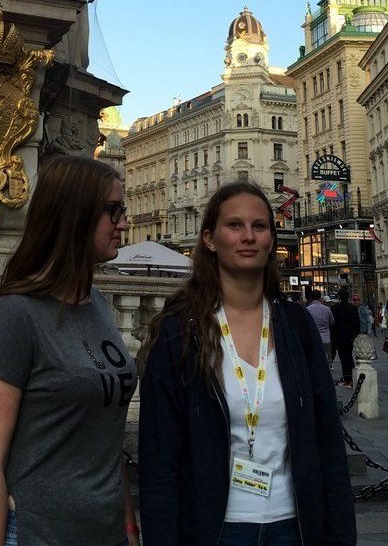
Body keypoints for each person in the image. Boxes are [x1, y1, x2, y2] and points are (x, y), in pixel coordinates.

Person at [139, 181, 356, 546]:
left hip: (293, 526)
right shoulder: (180, 331)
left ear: (271, 240)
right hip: (216, 530)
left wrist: (340, 535)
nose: (249, 237)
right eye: (234, 225)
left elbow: (327, 441)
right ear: (210, 239)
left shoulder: (296, 325)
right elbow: (159, 458)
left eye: (259, 226)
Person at [0, 155, 138, 546]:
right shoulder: (15, 316)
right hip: (38, 532)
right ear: (74, 214)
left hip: (106, 530)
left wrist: (129, 529)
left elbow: (105, 440)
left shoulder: (97, 304)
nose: (123, 223)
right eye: (113, 211)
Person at [331, 289, 361, 387]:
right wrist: (356, 335)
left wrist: (333, 336)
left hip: (339, 337)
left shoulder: (335, 307)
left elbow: (333, 324)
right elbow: (357, 323)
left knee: (343, 358)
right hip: (351, 336)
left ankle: (347, 378)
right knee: (349, 356)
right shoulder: (353, 308)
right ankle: (352, 376)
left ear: (339, 297)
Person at [306, 289, 335, 365]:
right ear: (320, 297)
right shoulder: (327, 309)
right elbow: (332, 322)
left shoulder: (308, 309)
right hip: (326, 338)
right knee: (328, 360)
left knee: (315, 360)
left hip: (314, 338)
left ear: (311, 297)